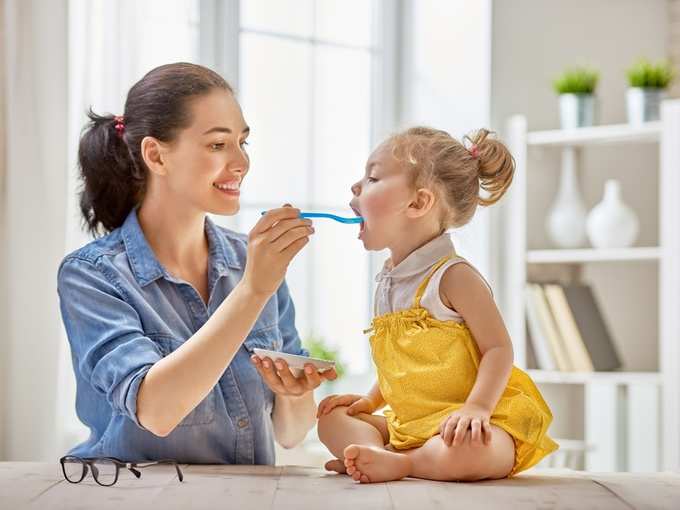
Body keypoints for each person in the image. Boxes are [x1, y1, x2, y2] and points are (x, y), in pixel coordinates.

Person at [57, 62, 335, 464]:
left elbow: (291, 434)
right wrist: (253, 291)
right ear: (155, 155)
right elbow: (155, 410)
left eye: (243, 142)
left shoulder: (251, 260)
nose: (241, 162)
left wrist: (297, 392)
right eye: (218, 145)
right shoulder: (91, 275)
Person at [317, 127, 558, 483]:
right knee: (331, 420)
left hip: (464, 424)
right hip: (411, 425)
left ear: (418, 203)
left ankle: (406, 464)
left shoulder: (454, 277)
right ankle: (378, 457)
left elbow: (498, 348)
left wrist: (477, 409)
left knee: (475, 451)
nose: (356, 186)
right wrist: (370, 402)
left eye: (372, 177)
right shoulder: (389, 281)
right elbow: (404, 364)